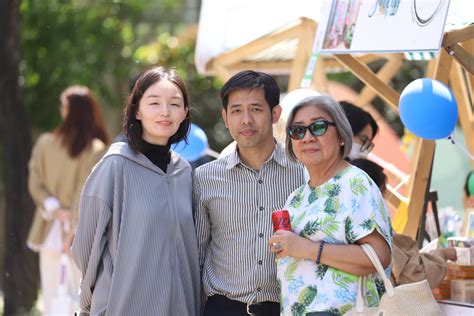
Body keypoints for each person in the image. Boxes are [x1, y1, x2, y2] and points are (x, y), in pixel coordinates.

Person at [71, 67, 200, 315]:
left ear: (184, 113)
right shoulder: (114, 166)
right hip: (124, 306)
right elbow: (86, 246)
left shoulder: (184, 173)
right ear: (136, 110)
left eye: (174, 104)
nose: (165, 112)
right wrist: (91, 304)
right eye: (154, 103)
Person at [193, 70, 305, 316]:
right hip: (223, 308)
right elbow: (198, 254)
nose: (246, 120)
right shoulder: (205, 178)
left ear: (275, 114)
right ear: (225, 117)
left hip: (286, 308)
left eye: (255, 109)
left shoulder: (304, 174)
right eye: (236, 111)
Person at [269, 95, 392, 315]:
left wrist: (306, 248)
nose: (307, 137)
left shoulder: (355, 182)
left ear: (342, 136)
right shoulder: (297, 197)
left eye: (318, 127)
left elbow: (379, 256)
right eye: (298, 130)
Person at [27, 85, 109, 315]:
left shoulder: (45, 142)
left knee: (53, 293)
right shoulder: (95, 148)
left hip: (48, 229)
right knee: (80, 296)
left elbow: (35, 181)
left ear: (69, 111)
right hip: (80, 233)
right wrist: (72, 226)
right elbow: (86, 192)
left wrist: (53, 208)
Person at [350, 158, 457, 289]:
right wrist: (441, 255)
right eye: (383, 193)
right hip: (379, 308)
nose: (384, 201)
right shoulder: (375, 235)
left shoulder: (335, 228)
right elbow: (417, 278)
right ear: (371, 193)